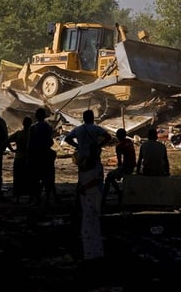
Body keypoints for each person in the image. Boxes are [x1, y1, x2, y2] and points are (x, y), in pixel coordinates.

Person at [64, 109, 112, 264]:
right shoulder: (96, 129)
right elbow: (108, 137)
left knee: (83, 181)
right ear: (92, 118)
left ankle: (83, 202)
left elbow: (68, 138)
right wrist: (99, 145)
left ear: (83, 118)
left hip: (82, 159)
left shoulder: (78, 129)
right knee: (96, 181)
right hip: (94, 157)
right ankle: (96, 204)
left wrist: (77, 147)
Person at [28, 107, 57, 207]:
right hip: (46, 154)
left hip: (36, 155)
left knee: (35, 178)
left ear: (36, 116)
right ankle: (48, 198)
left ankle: (37, 198)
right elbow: (50, 141)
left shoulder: (33, 128)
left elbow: (30, 144)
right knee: (48, 177)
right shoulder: (48, 127)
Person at [102, 128, 136, 204]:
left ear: (117, 136)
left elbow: (119, 162)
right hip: (132, 166)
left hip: (126, 167)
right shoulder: (129, 141)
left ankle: (112, 194)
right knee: (112, 176)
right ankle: (119, 192)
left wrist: (119, 171)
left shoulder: (119, 146)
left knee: (108, 177)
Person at [6, 115, 33, 204]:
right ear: (31, 124)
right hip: (30, 159)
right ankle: (30, 197)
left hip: (19, 158)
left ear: (23, 123)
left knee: (18, 178)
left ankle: (17, 197)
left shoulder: (18, 133)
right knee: (30, 179)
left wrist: (12, 150)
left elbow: (7, 140)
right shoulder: (32, 134)